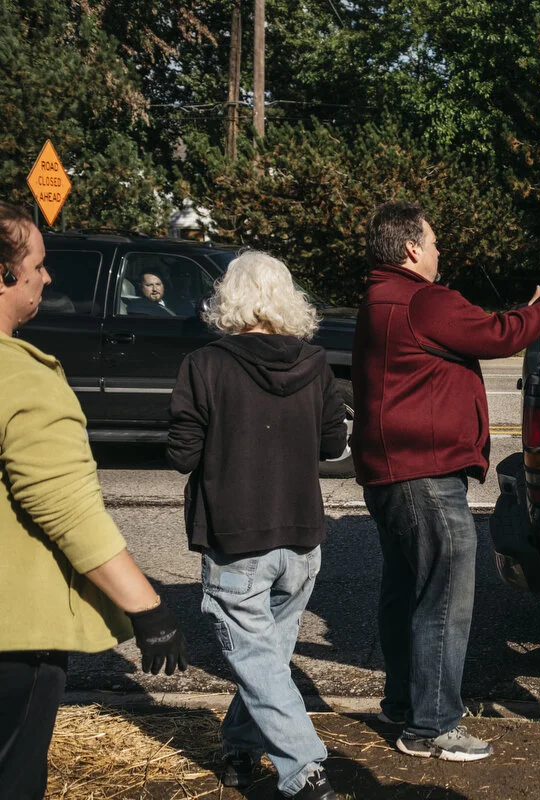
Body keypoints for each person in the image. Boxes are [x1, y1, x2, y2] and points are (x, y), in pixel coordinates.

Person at [352, 202, 540, 761]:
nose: (439, 251)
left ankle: (404, 703)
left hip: (391, 474)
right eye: (434, 242)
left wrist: (527, 312)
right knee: (444, 598)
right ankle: (433, 725)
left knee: (406, 591)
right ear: (412, 248)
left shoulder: (381, 298)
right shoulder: (422, 299)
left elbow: (482, 330)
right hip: (426, 475)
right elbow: (500, 337)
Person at [0, 202, 188, 800]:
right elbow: (68, 509)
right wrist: (148, 607)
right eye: (37, 264)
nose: (47, 278)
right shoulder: (21, 379)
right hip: (13, 637)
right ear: (4, 275)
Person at [166, 251, 347, 800]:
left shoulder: (205, 364)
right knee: (266, 660)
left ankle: (305, 769)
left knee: (260, 663)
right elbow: (334, 445)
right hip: (301, 538)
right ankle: (241, 750)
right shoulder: (317, 363)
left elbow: (181, 454)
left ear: (230, 298)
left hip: (236, 537)